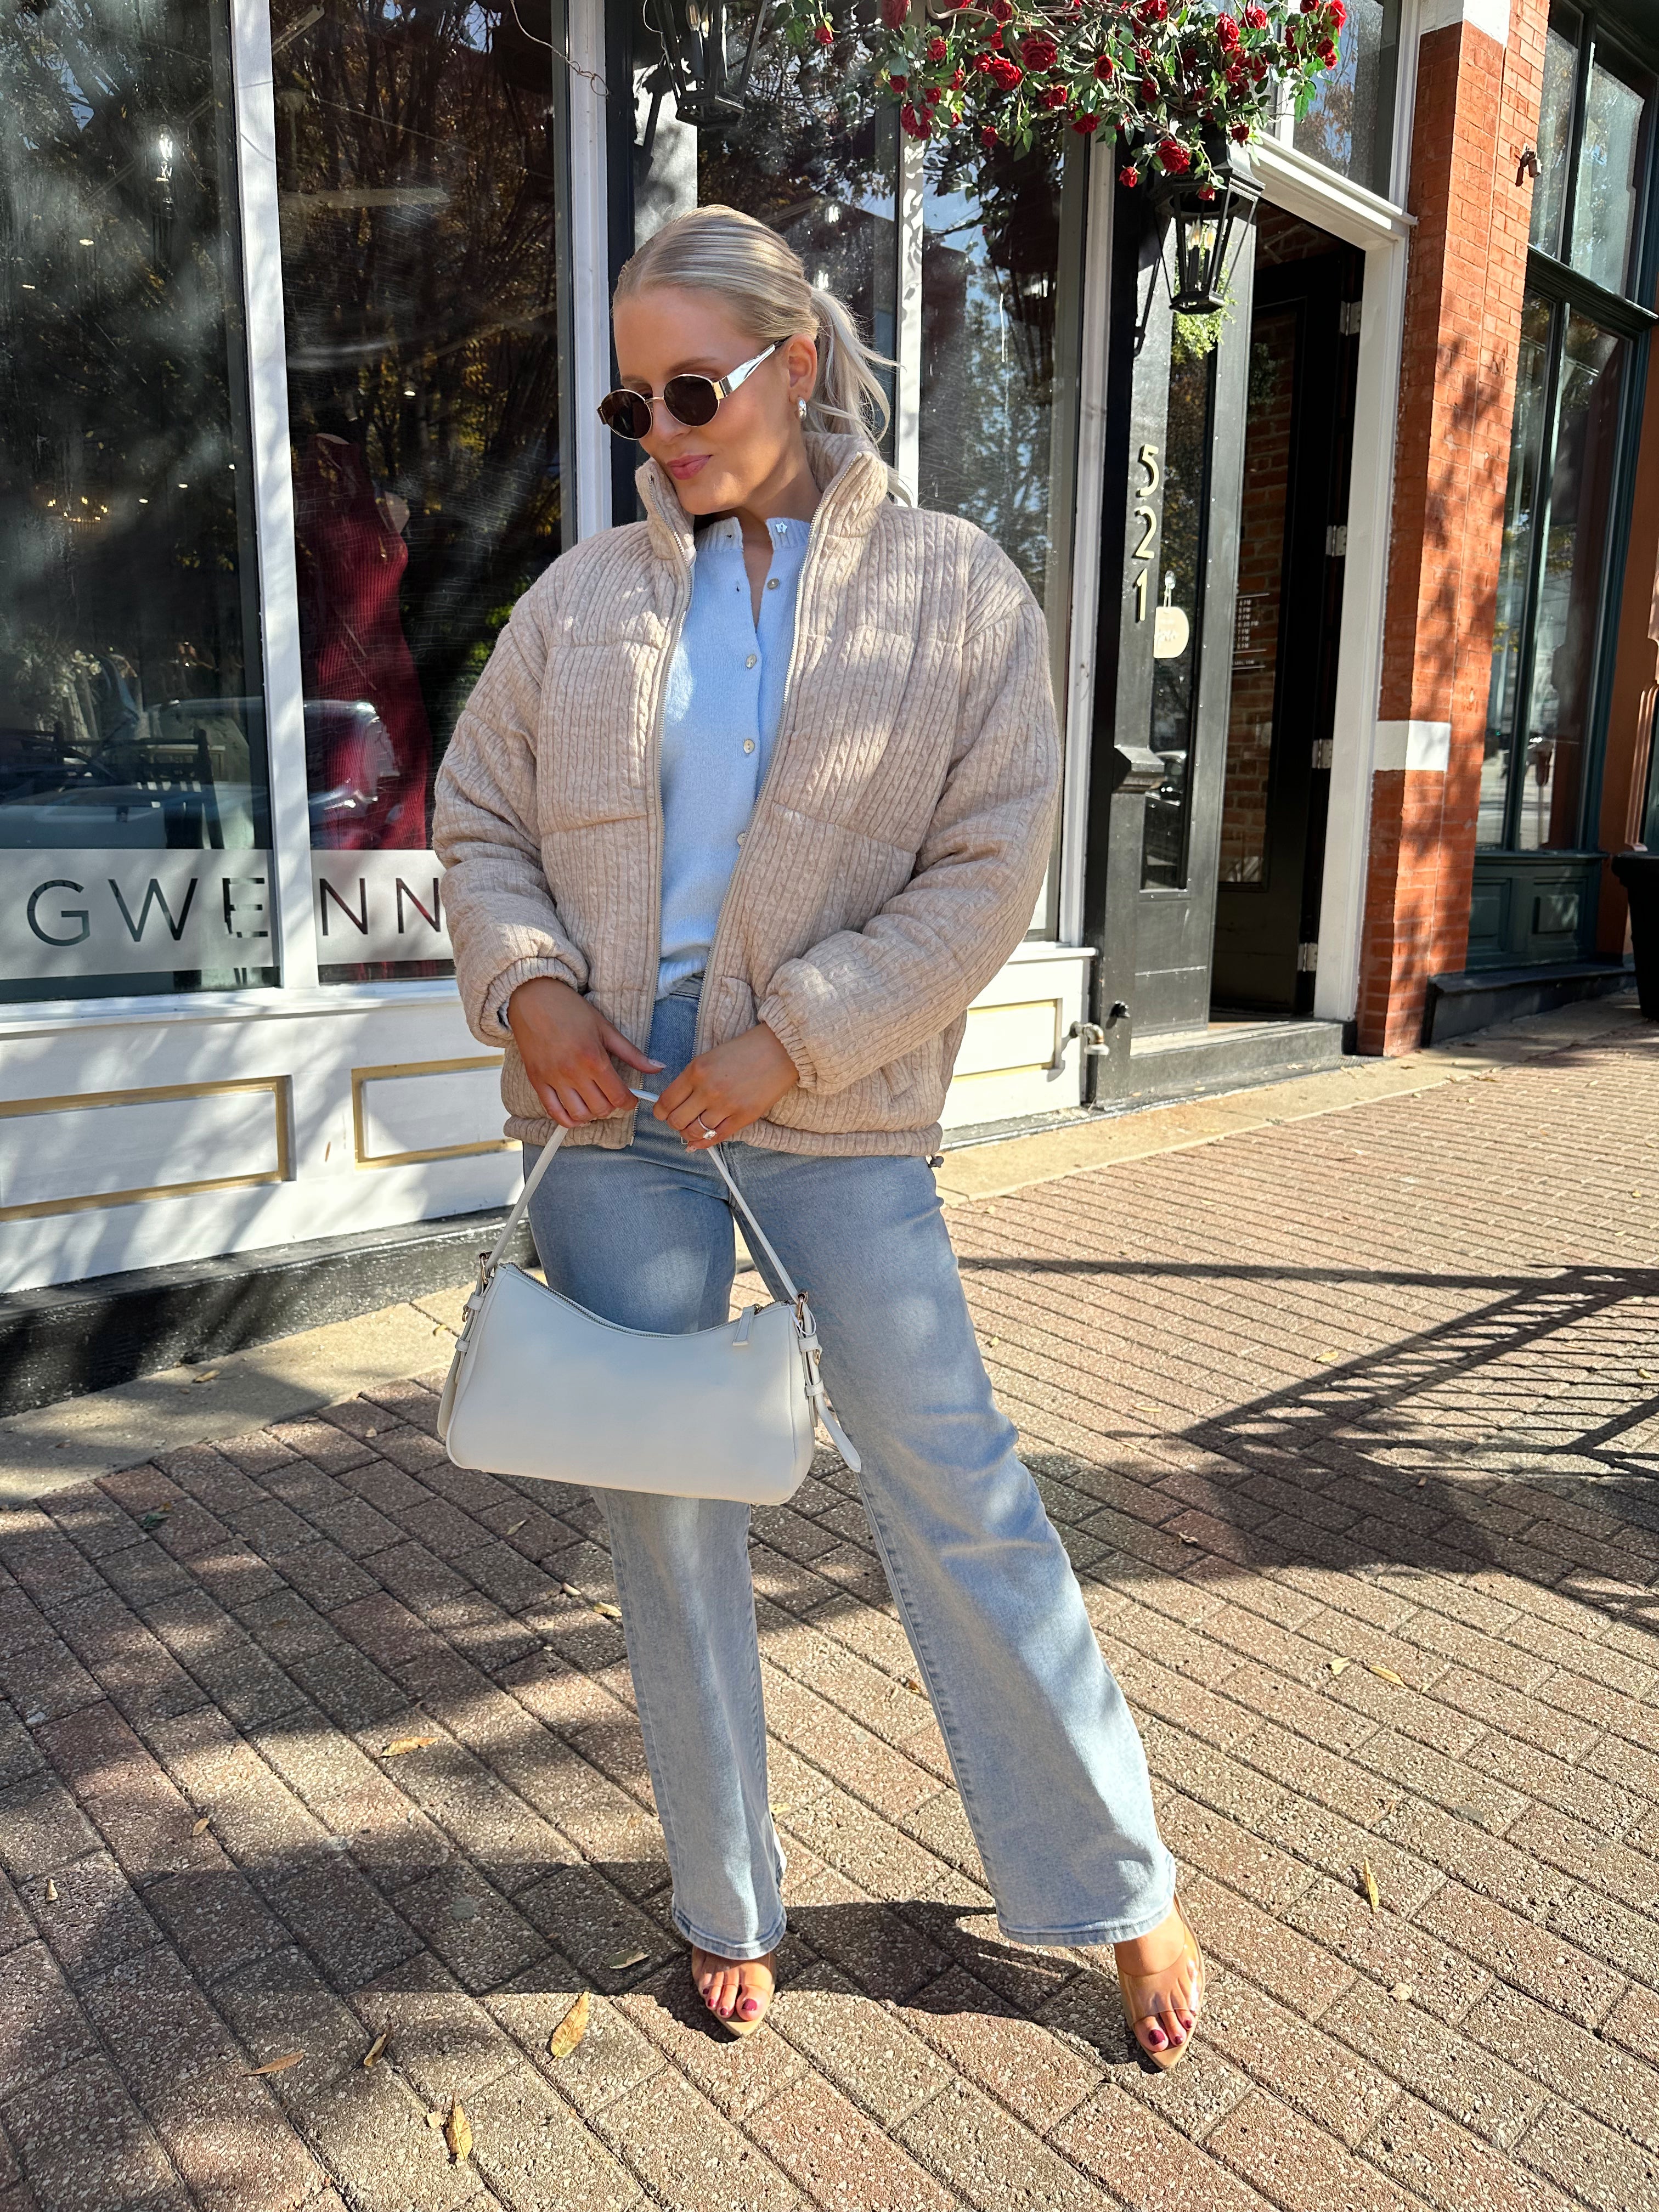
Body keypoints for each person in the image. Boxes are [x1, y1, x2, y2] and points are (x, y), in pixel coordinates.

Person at [432, 205, 1203, 2065]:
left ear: (799, 361)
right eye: (635, 401)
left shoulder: (958, 591)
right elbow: (478, 823)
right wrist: (530, 989)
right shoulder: (585, 601)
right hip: (614, 1124)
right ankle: (725, 1894)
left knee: (962, 1495)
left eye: (691, 387)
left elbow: (985, 871)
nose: (661, 432)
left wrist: (796, 1041)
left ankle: (1117, 1882)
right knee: (672, 1512)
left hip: (837, 1128)